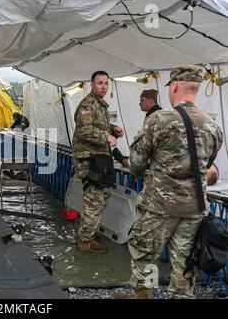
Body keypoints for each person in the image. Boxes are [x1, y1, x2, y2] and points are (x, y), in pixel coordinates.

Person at [115, 65, 223, 299]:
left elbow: (135, 163)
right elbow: (207, 167)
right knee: (184, 258)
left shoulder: (158, 120)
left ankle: (144, 293)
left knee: (147, 252)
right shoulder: (213, 127)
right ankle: (181, 295)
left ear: (174, 86)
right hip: (194, 207)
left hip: (159, 205)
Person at [73, 70, 124, 254]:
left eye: (106, 83)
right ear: (92, 84)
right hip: (89, 160)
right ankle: (85, 242)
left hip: (99, 159)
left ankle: (88, 234)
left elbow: (97, 125)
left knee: (103, 197)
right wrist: (106, 136)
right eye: (99, 83)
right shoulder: (88, 104)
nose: (103, 87)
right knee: (94, 201)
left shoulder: (100, 105)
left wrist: (113, 129)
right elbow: (84, 131)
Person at [112, 89, 162, 168]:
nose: (139, 103)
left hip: (154, 163)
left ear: (150, 101)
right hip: (156, 159)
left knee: (132, 165)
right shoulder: (158, 114)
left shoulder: (154, 117)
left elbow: (146, 142)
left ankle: (120, 157)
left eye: (142, 100)